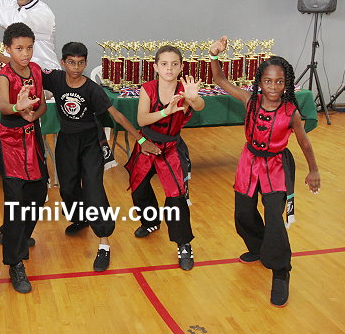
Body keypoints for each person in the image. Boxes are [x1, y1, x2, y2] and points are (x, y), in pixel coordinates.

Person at [209, 36, 320, 307]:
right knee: (243, 212)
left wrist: (313, 170)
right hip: (249, 163)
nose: (273, 86)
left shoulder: (291, 112)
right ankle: (258, 247)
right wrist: (214, 55)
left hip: (276, 167)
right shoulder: (250, 100)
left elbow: (304, 142)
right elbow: (220, 80)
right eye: (268, 81)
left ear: (286, 84)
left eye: (279, 82)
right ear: (260, 82)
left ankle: (281, 271)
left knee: (274, 218)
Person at [42, 42, 161, 271]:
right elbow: (23, 67)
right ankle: (81, 218)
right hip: (67, 142)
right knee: (67, 187)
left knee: (93, 190)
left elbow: (117, 116)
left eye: (80, 63)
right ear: (63, 62)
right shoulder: (55, 79)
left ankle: (104, 241)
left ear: (86, 63)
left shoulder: (92, 89)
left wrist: (141, 140)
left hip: (90, 144)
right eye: (71, 62)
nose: (76, 67)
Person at [124, 45, 204, 271]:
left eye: (174, 64)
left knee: (175, 197)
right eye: (164, 64)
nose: (169, 68)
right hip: (147, 145)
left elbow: (199, 106)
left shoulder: (185, 90)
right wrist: (165, 112)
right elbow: (141, 120)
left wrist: (194, 98)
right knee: (139, 188)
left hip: (171, 149)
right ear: (156, 67)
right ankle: (150, 222)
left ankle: (184, 244)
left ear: (181, 67)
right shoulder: (148, 88)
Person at [0, 22, 48, 293]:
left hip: (32, 137)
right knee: (15, 201)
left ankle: (17, 235)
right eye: (19, 48)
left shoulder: (36, 70)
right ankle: (15, 263)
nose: (25, 53)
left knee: (38, 193)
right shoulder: (4, 75)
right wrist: (19, 107)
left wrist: (32, 114)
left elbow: (43, 106)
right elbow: (4, 106)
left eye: (29, 48)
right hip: (10, 141)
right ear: (8, 48)